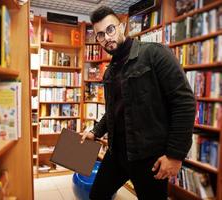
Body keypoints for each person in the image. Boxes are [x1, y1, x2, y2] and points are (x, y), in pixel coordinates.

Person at [80, 6, 196, 200]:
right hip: (117, 153)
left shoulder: (154, 54)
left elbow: (184, 103)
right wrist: (95, 132)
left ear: (122, 27)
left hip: (149, 158)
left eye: (110, 29)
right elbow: (113, 111)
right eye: (100, 34)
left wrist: (175, 155)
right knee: (97, 196)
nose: (107, 37)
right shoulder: (109, 72)